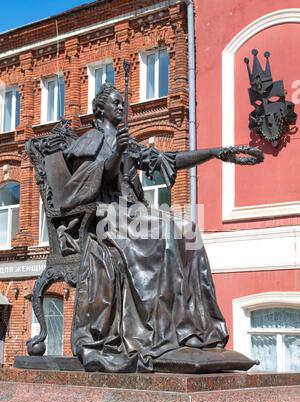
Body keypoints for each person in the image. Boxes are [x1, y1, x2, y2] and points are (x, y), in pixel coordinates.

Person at [60, 83, 243, 372]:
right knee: (167, 233)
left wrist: (216, 152)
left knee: (189, 231)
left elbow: (168, 161)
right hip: (107, 216)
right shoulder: (90, 140)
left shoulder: (127, 142)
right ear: (101, 108)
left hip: (134, 213)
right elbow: (85, 184)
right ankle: (168, 332)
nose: (121, 107)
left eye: (123, 103)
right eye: (116, 103)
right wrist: (116, 152)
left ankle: (195, 329)